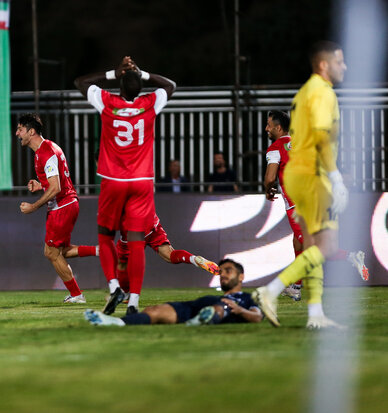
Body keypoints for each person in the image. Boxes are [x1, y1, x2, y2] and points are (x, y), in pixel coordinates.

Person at [253, 41, 351, 329]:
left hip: (299, 177)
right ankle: (270, 291)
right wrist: (335, 176)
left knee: (312, 246)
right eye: (339, 61)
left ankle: (315, 314)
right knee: (325, 246)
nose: (344, 67)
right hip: (311, 178)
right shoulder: (323, 93)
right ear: (324, 64)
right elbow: (321, 139)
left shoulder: (307, 91)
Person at [75, 56, 176, 315]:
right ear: (140, 89)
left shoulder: (109, 102)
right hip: (142, 181)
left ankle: (113, 287)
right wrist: (141, 74)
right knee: (136, 241)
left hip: (114, 179)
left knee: (105, 235)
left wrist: (114, 73)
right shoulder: (149, 104)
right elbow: (170, 85)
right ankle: (133, 302)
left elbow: (81, 82)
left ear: (120, 86)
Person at [263, 110, 369, 302]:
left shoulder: (275, 148)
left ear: (278, 128)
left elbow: (270, 178)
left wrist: (268, 189)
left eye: (269, 125)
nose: (266, 129)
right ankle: (296, 287)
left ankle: (351, 256)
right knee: (298, 242)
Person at [16, 113, 98, 303]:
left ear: (31, 131)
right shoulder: (45, 150)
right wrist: (40, 186)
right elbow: (54, 183)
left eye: (20, 129)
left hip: (63, 205)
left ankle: (77, 295)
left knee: (51, 252)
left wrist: (33, 206)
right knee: (61, 251)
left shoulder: (46, 152)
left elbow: (56, 187)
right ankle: (100, 251)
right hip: (65, 204)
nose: (17, 133)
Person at [84, 258, 263, 326]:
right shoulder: (218, 295)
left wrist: (239, 310)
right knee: (154, 311)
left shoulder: (247, 298)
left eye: (228, 270)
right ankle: (116, 322)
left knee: (220, 307)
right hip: (196, 306)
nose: (222, 274)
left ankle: (202, 320)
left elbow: (257, 316)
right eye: (221, 271)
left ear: (241, 277)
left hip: (222, 309)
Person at [114, 213, 220, 302]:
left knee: (122, 262)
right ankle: (194, 259)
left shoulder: (117, 193)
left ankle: (126, 294)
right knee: (169, 254)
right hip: (151, 222)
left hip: (132, 229)